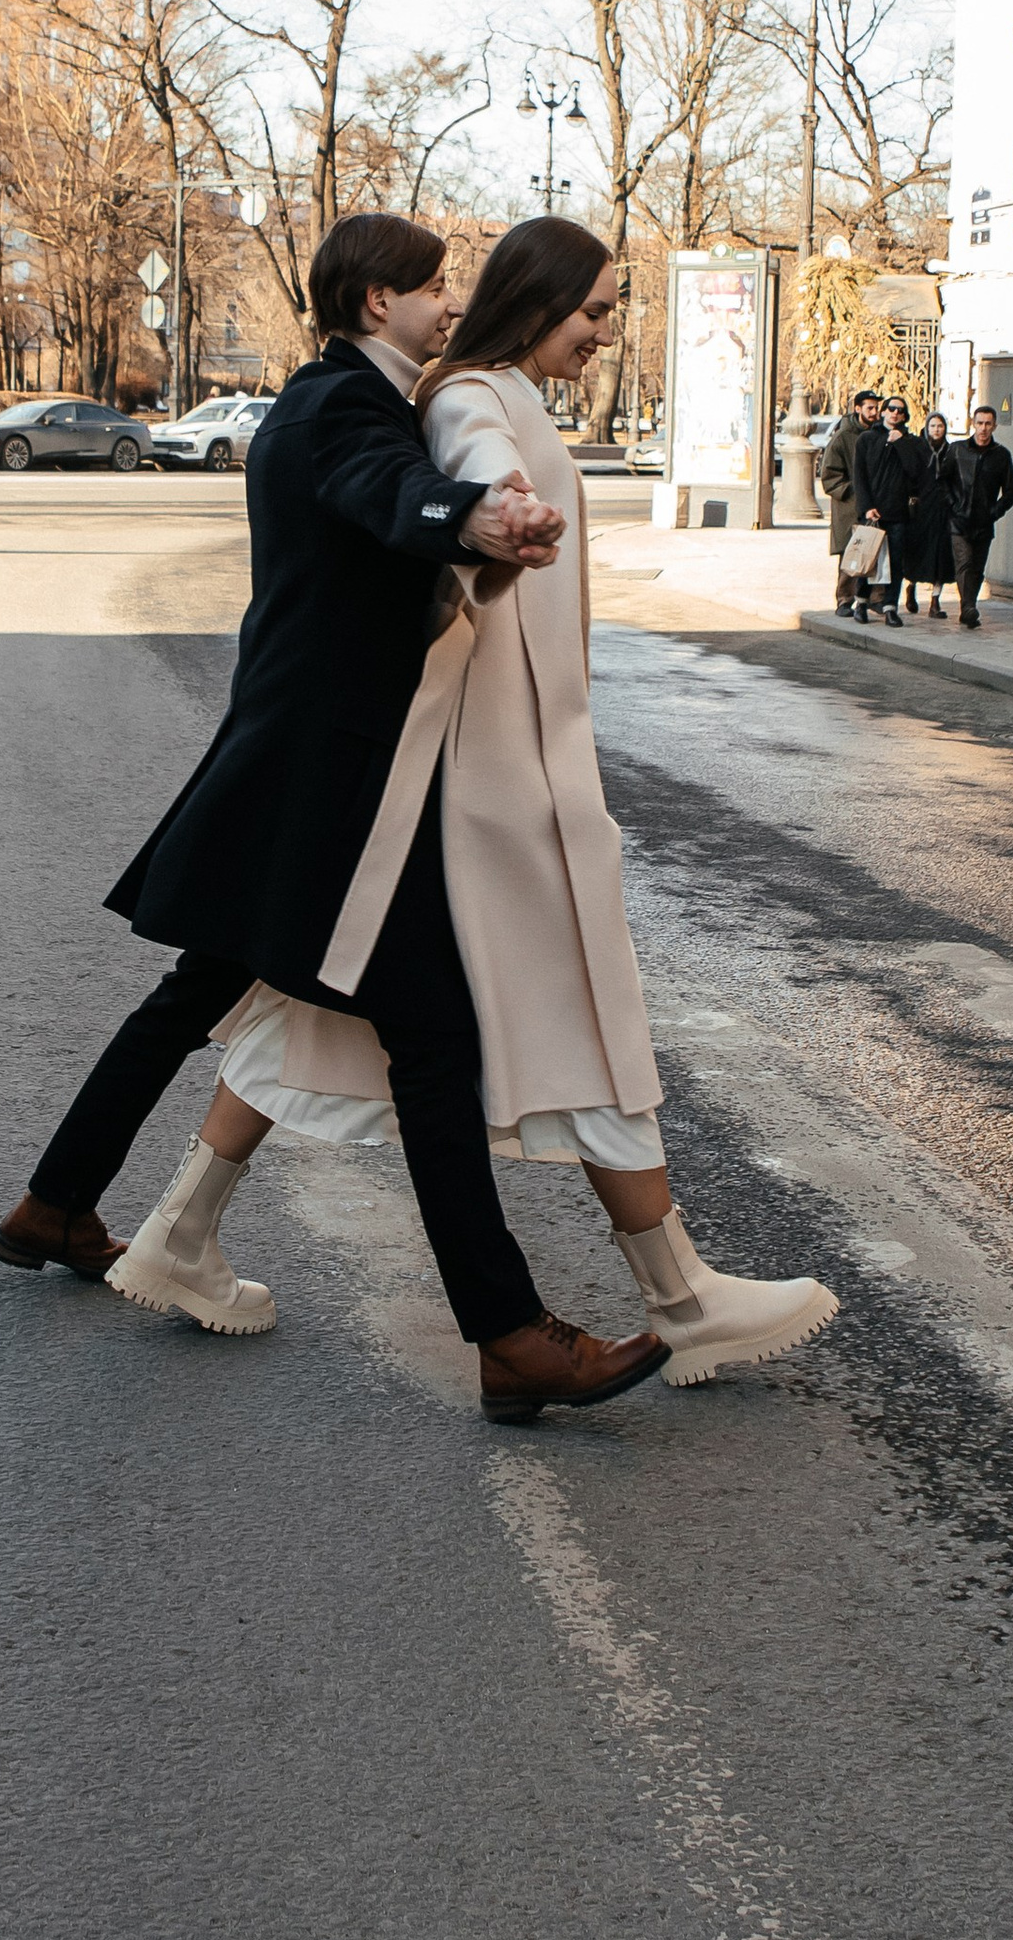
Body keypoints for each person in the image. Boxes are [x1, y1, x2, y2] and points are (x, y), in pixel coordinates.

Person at [0, 209, 670, 1424]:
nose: (448, 305)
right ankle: (510, 1336)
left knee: (195, 995)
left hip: (293, 774)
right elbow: (388, 493)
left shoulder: (336, 398)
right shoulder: (339, 409)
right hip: (328, 788)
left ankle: (56, 1202)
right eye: (431, 289)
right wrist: (475, 520)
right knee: (432, 1042)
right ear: (375, 304)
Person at [142, 218, 838, 1391]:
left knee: (338, 1020)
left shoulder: (502, 387)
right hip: (493, 783)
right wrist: (496, 515)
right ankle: (678, 1294)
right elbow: (471, 473)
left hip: (513, 766)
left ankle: (179, 1229)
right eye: (597, 309)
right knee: (583, 1016)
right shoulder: (479, 393)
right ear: (545, 296)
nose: (606, 332)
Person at [941, 401, 1013, 629]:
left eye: (988, 424)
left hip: (984, 522)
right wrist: (953, 505)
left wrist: (994, 512)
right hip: (959, 521)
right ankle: (968, 608)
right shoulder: (958, 450)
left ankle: (969, 605)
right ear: (973, 424)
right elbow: (943, 481)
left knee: (977, 568)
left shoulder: (1001, 455)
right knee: (964, 563)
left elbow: (1011, 490)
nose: (983, 428)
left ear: (994, 426)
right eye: (979, 423)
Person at [856, 398, 932, 629]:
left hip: (898, 512)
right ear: (883, 412)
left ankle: (890, 607)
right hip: (873, 511)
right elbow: (860, 476)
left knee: (896, 561)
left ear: (905, 415)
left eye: (900, 410)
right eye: (891, 409)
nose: (895, 413)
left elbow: (916, 472)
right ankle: (860, 602)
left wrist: (901, 444)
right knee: (868, 559)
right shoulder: (868, 438)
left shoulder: (912, 442)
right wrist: (866, 506)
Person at [821, 386, 885, 614]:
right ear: (857, 409)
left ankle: (875, 598)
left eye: (877, 408)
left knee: (876, 550)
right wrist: (852, 490)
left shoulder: (881, 434)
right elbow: (829, 475)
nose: (874, 412)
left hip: (875, 505)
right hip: (849, 507)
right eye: (869, 407)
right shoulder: (843, 437)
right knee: (850, 553)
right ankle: (844, 599)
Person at [905, 407, 956, 620]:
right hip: (920, 510)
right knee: (917, 552)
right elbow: (909, 474)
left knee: (941, 557)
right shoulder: (919, 448)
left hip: (943, 510)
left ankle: (935, 601)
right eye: (933, 426)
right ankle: (911, 587)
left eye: (940, 426)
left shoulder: (951, 451)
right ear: (927, 428)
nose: (936, 430)